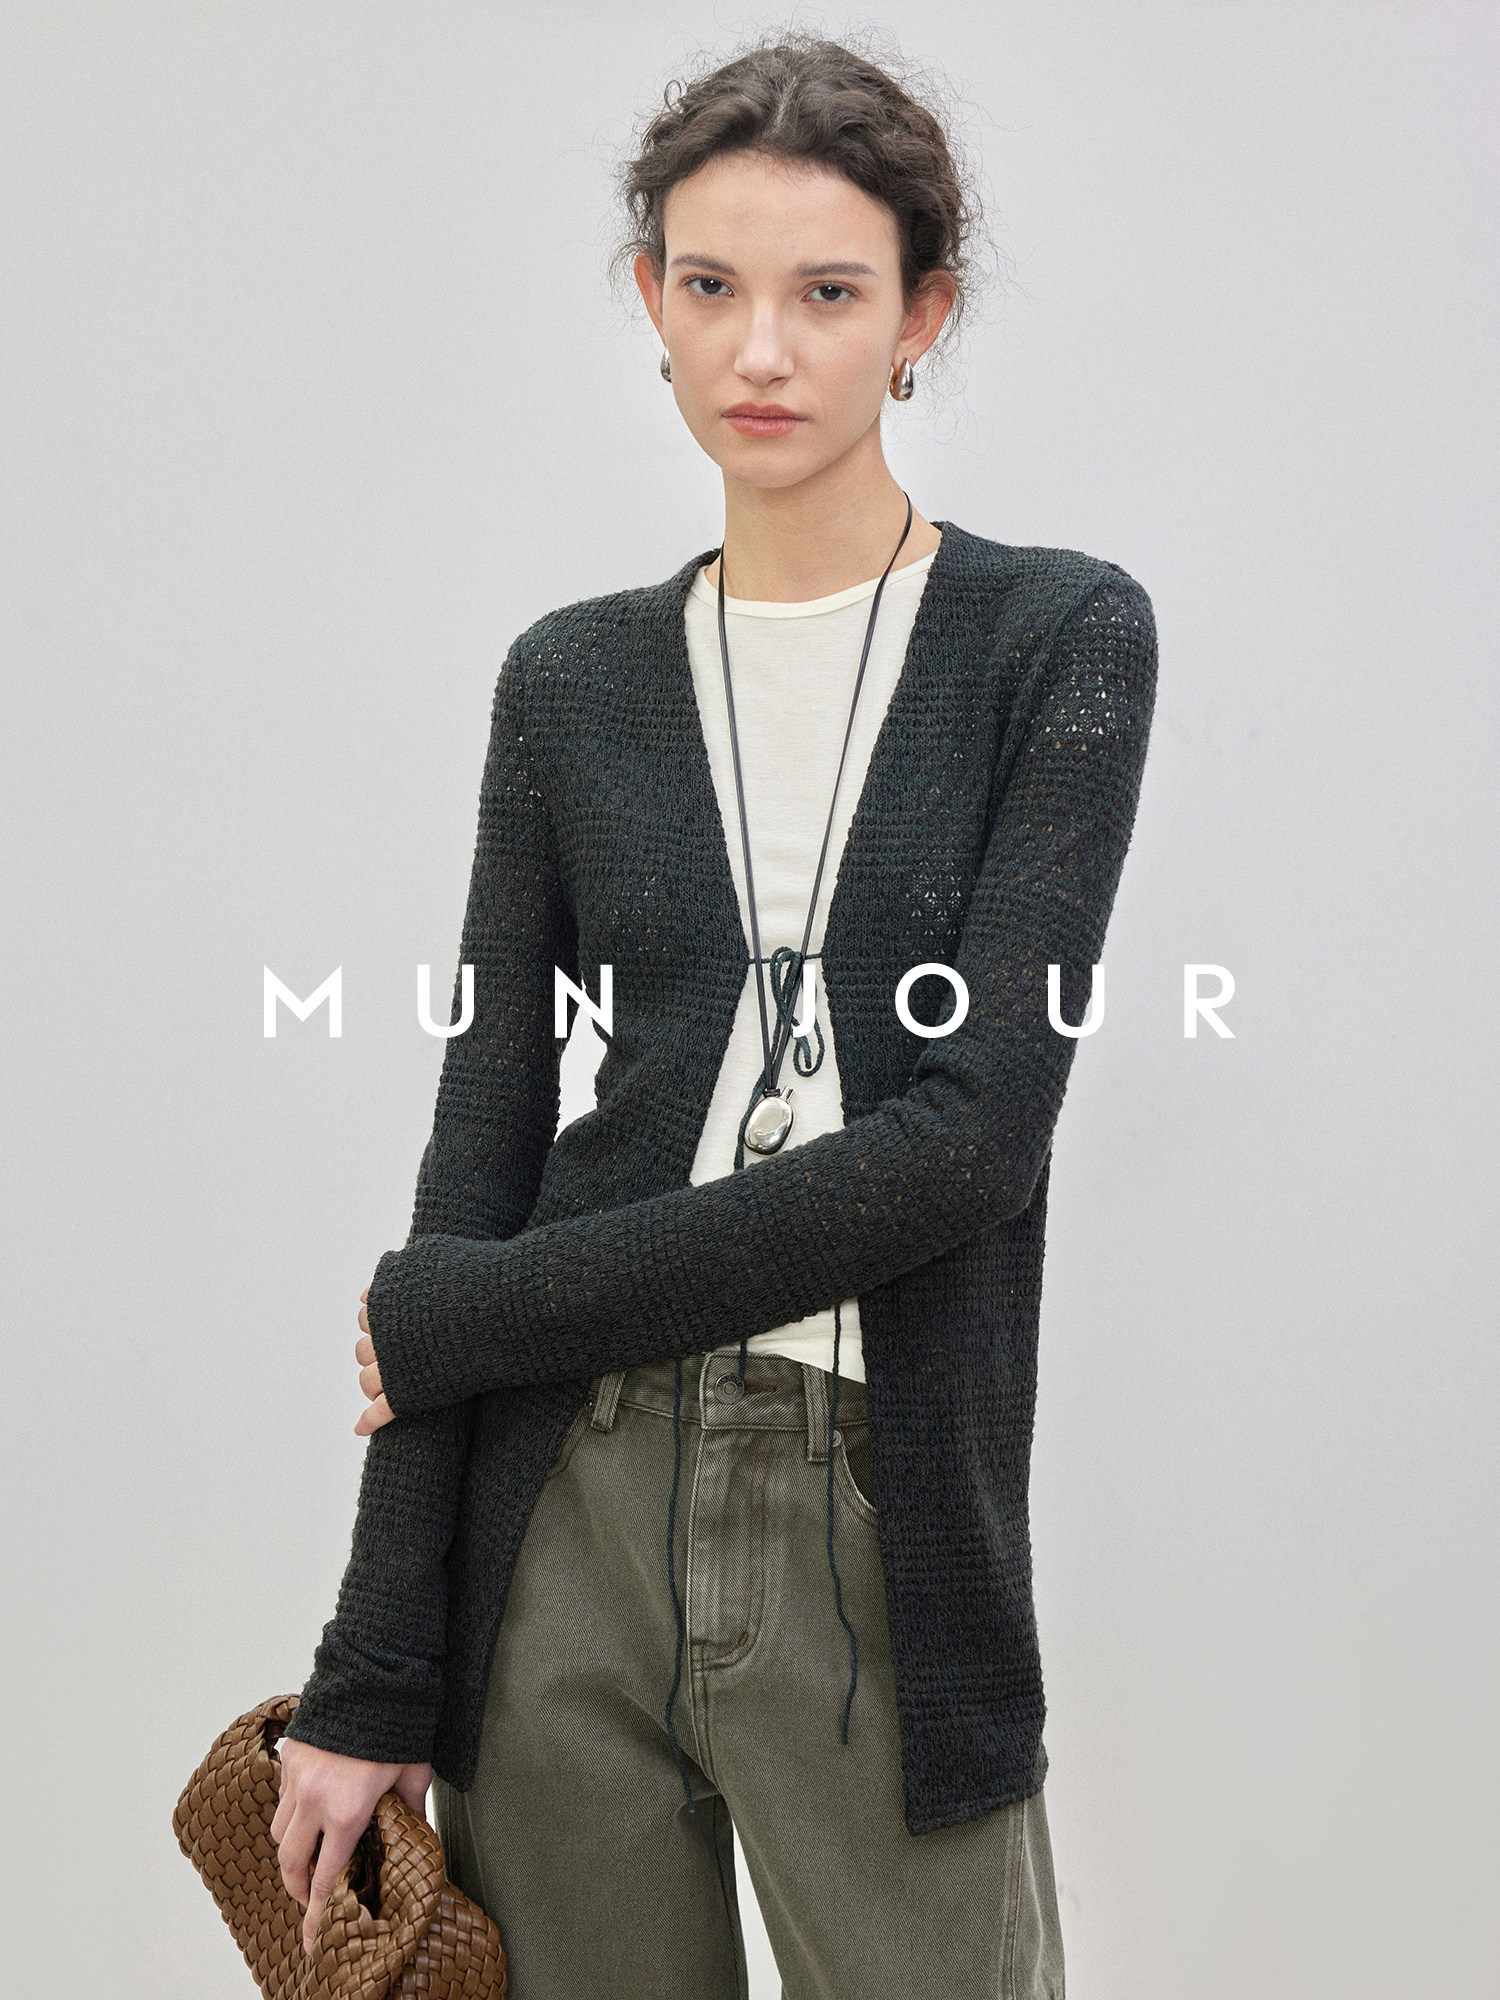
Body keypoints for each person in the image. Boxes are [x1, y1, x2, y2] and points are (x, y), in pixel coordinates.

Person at [271, 31, 1157, 2000]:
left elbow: (968, 1146)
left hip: (872, 1505)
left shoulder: (1056, 638)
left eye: (829, 292)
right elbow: (480, 1149)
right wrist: (376, 1656)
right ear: (652, 303)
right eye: (709, 286)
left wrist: (471, 1314)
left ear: (921, 317)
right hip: (560, 1520)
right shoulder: (571, 683)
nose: (762, 349)